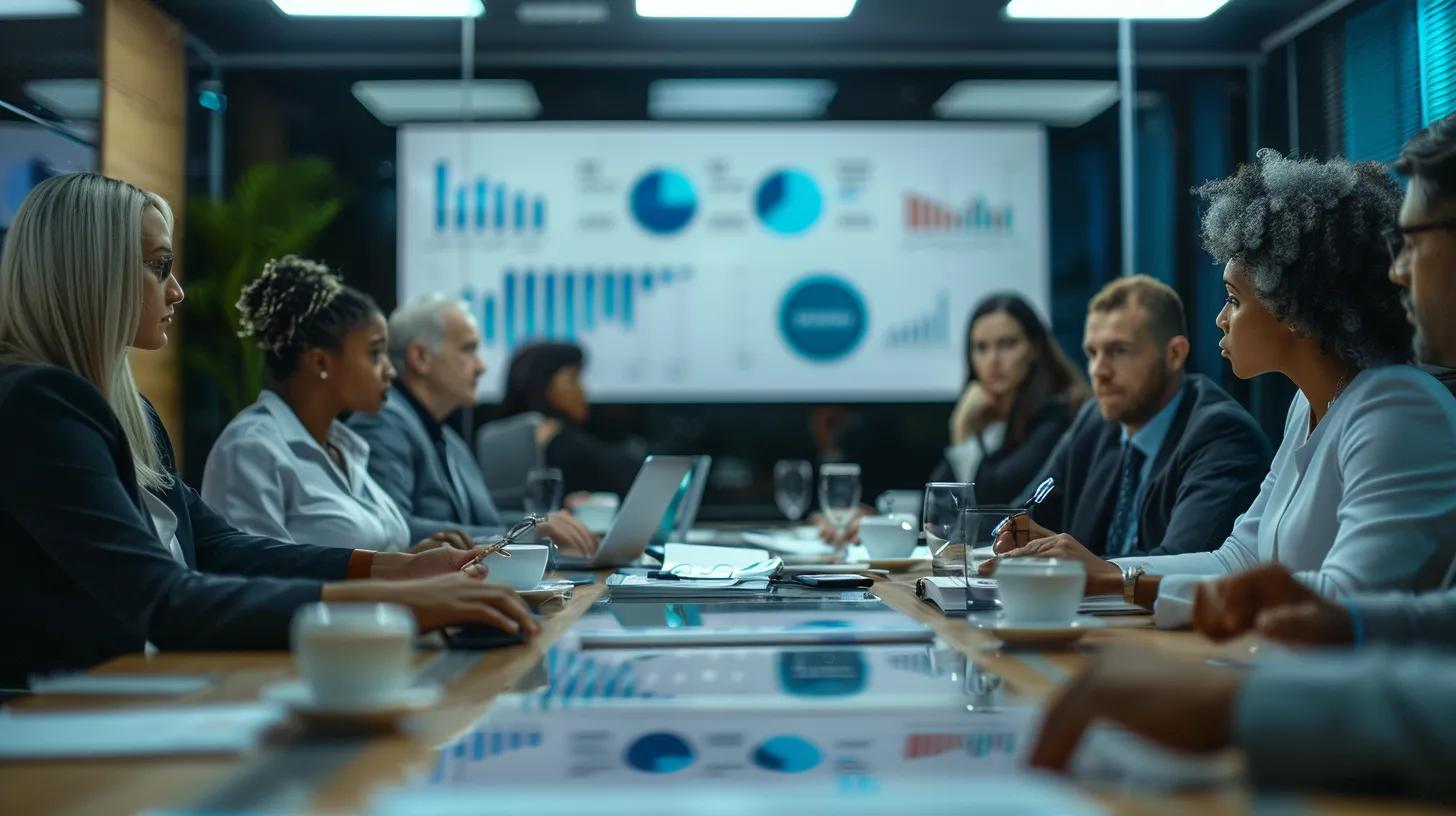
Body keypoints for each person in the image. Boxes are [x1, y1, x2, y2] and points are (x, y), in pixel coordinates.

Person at [0, 174, 536, 687]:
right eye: (160, 267)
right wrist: (399, 603)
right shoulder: (37, 406)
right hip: (67, 710)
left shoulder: (128, 410)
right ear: (92, 273)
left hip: (152, 686)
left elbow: (219, 547)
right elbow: (163, 601)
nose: (178, 292)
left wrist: (400, 570)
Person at [993, 151, 1456, 629]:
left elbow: (1345, 600)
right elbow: (1238, 559)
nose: (1220, 318)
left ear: (1294, 309)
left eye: (1234, 299)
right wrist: (1105, 570)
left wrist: (1119, 582)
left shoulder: (1396, 408)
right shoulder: (1310, 405)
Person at [1000, 275, 1271, 557]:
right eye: (1092, 353)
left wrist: (1077, 567)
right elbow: (1021, 519)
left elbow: (1180, 563)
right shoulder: (1097, 419)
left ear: (1175, 354)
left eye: (1118, 351)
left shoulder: (1222, 434)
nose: (1098, 371)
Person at [202, 257, 452, 552]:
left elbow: (370, 558)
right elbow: (255, 579)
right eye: (374, 354)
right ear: (320, 361)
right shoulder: (250, 449)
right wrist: (399, 571)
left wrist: (414, 560)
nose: (390, 370)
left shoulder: (345, 447)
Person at [347, 296, 596, 554]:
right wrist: (530, 531)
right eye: (468, 349)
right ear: (420, 357)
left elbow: (486, 524)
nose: (481, 366)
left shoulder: (447, 436)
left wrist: (539, 523)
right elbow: (391, 529)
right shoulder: (382, 422)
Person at [930, 293, 1090, 504]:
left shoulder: (1058, 416)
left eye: (1007, 344)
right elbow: (936, 502)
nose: (993, 360)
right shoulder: (984, 416)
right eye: (981, 347)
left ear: (1035, 348)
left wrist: (963, 434)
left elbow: (993, 501)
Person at [498, 341, 643, 497]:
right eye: (574, 378)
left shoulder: (498, 440)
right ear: (543, 384)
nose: (583, 389)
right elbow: (630, 476)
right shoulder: (562, 444)